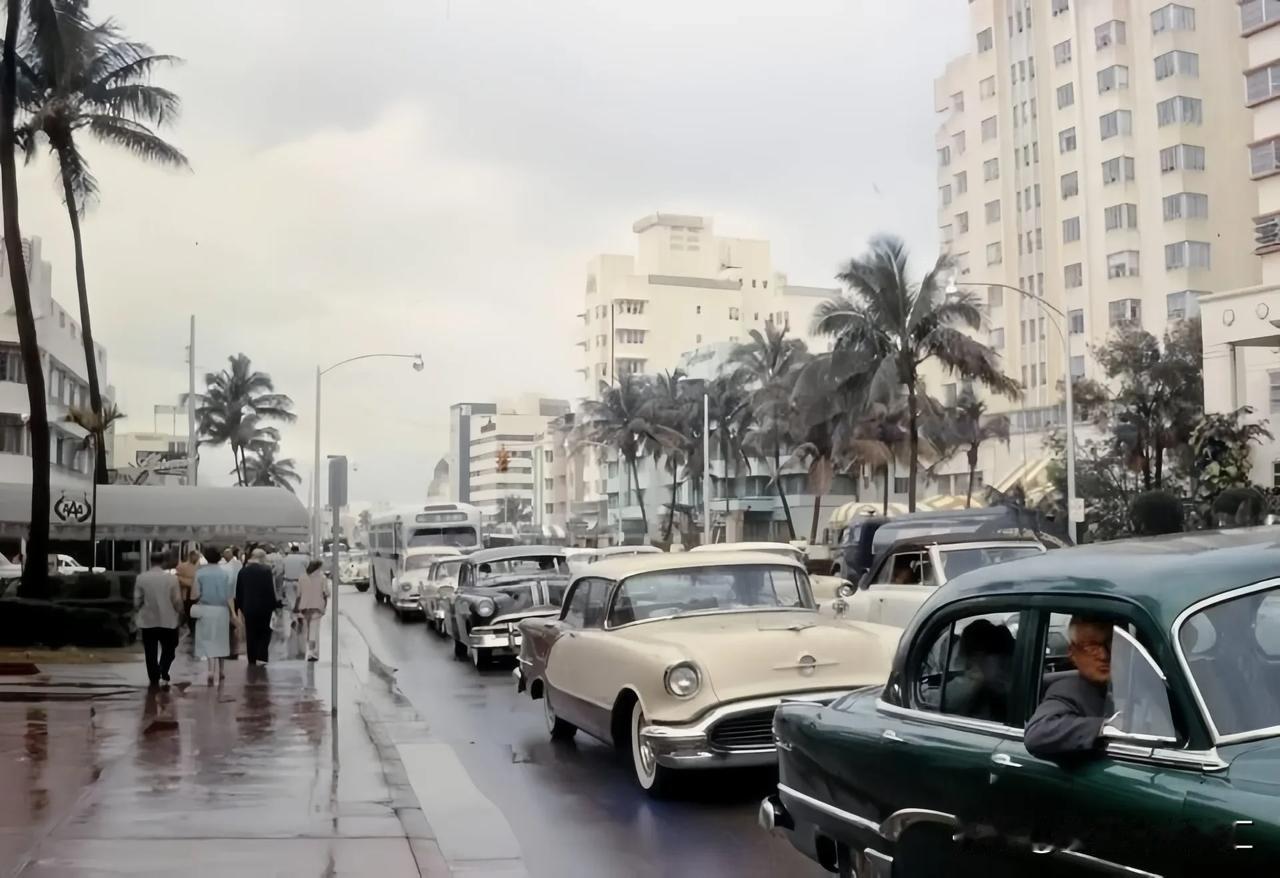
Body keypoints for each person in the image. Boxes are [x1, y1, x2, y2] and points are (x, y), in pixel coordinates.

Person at [1025, 616, 1114, 759]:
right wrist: (1107, 728)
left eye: (1110, 644)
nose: (1104, 655)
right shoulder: (1067, 691)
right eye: (1091, 647)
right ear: (1072, 653)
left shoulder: (1134, 685)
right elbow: (1038, 732)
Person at [134, 551, 183, 688]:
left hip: (148, 620)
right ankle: (163, 669)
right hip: (169, 620)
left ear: (150, 561)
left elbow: (137, 601)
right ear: (163, 562)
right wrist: (181, 613)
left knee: (150, 651)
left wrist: (137, 611)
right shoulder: (172, 579)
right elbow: (177, 600)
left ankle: (154, 677)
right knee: (170, 649)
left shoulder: (141, 578)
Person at [192, 545, 236, 685]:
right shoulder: (225, 573)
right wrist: (233, 614)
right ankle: (221, 670)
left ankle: (210, 670)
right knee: (221, 639)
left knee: (208, 639)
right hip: (222, 610)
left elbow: (195, 594)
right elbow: (230, 596)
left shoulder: (200, 573)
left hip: (205, 609)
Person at [236, 548, 280, 665]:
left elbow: (239, 592)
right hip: (264, 608)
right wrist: (274, 606)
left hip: (248, 608)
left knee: (250, 633)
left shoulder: (242, 571)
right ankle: (262, 656)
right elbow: (270, 590)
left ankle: (251, 658)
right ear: (261, 558)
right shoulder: (266, 571)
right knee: (264, 632)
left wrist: (241, 607)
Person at [295, 559, 329, 661]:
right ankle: (313, 653)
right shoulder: (322, 578)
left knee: (305, 631)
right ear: (319, 567)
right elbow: (325, 594)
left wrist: (296, 608)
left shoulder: (302, 577)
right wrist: (324, 607)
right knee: (314, 631)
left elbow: (298, 595)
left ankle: (305, 651)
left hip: (304, 608)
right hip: (317, 608)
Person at [280, 543, 310, 630]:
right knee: (300, 601)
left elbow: (282, 571)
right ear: (298, 551)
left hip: (288, 581)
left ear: (291, 551)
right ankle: (299, 615)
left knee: (291, 602)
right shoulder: (304, 558)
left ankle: (294, 619)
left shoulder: (285, 559)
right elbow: (308, 570)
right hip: (301, 582)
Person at [176, 550, 200, 638]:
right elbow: (177, 577)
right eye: (194, 556)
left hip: (196, 594)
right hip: (186, 594)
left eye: (197, 556)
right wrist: (188, 581)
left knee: (195, 612)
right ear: (190, 556)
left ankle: (194, 629)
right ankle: (191, 628)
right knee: (188, 612)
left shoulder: (200, 567)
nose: (196, 558)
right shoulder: (182, 566)